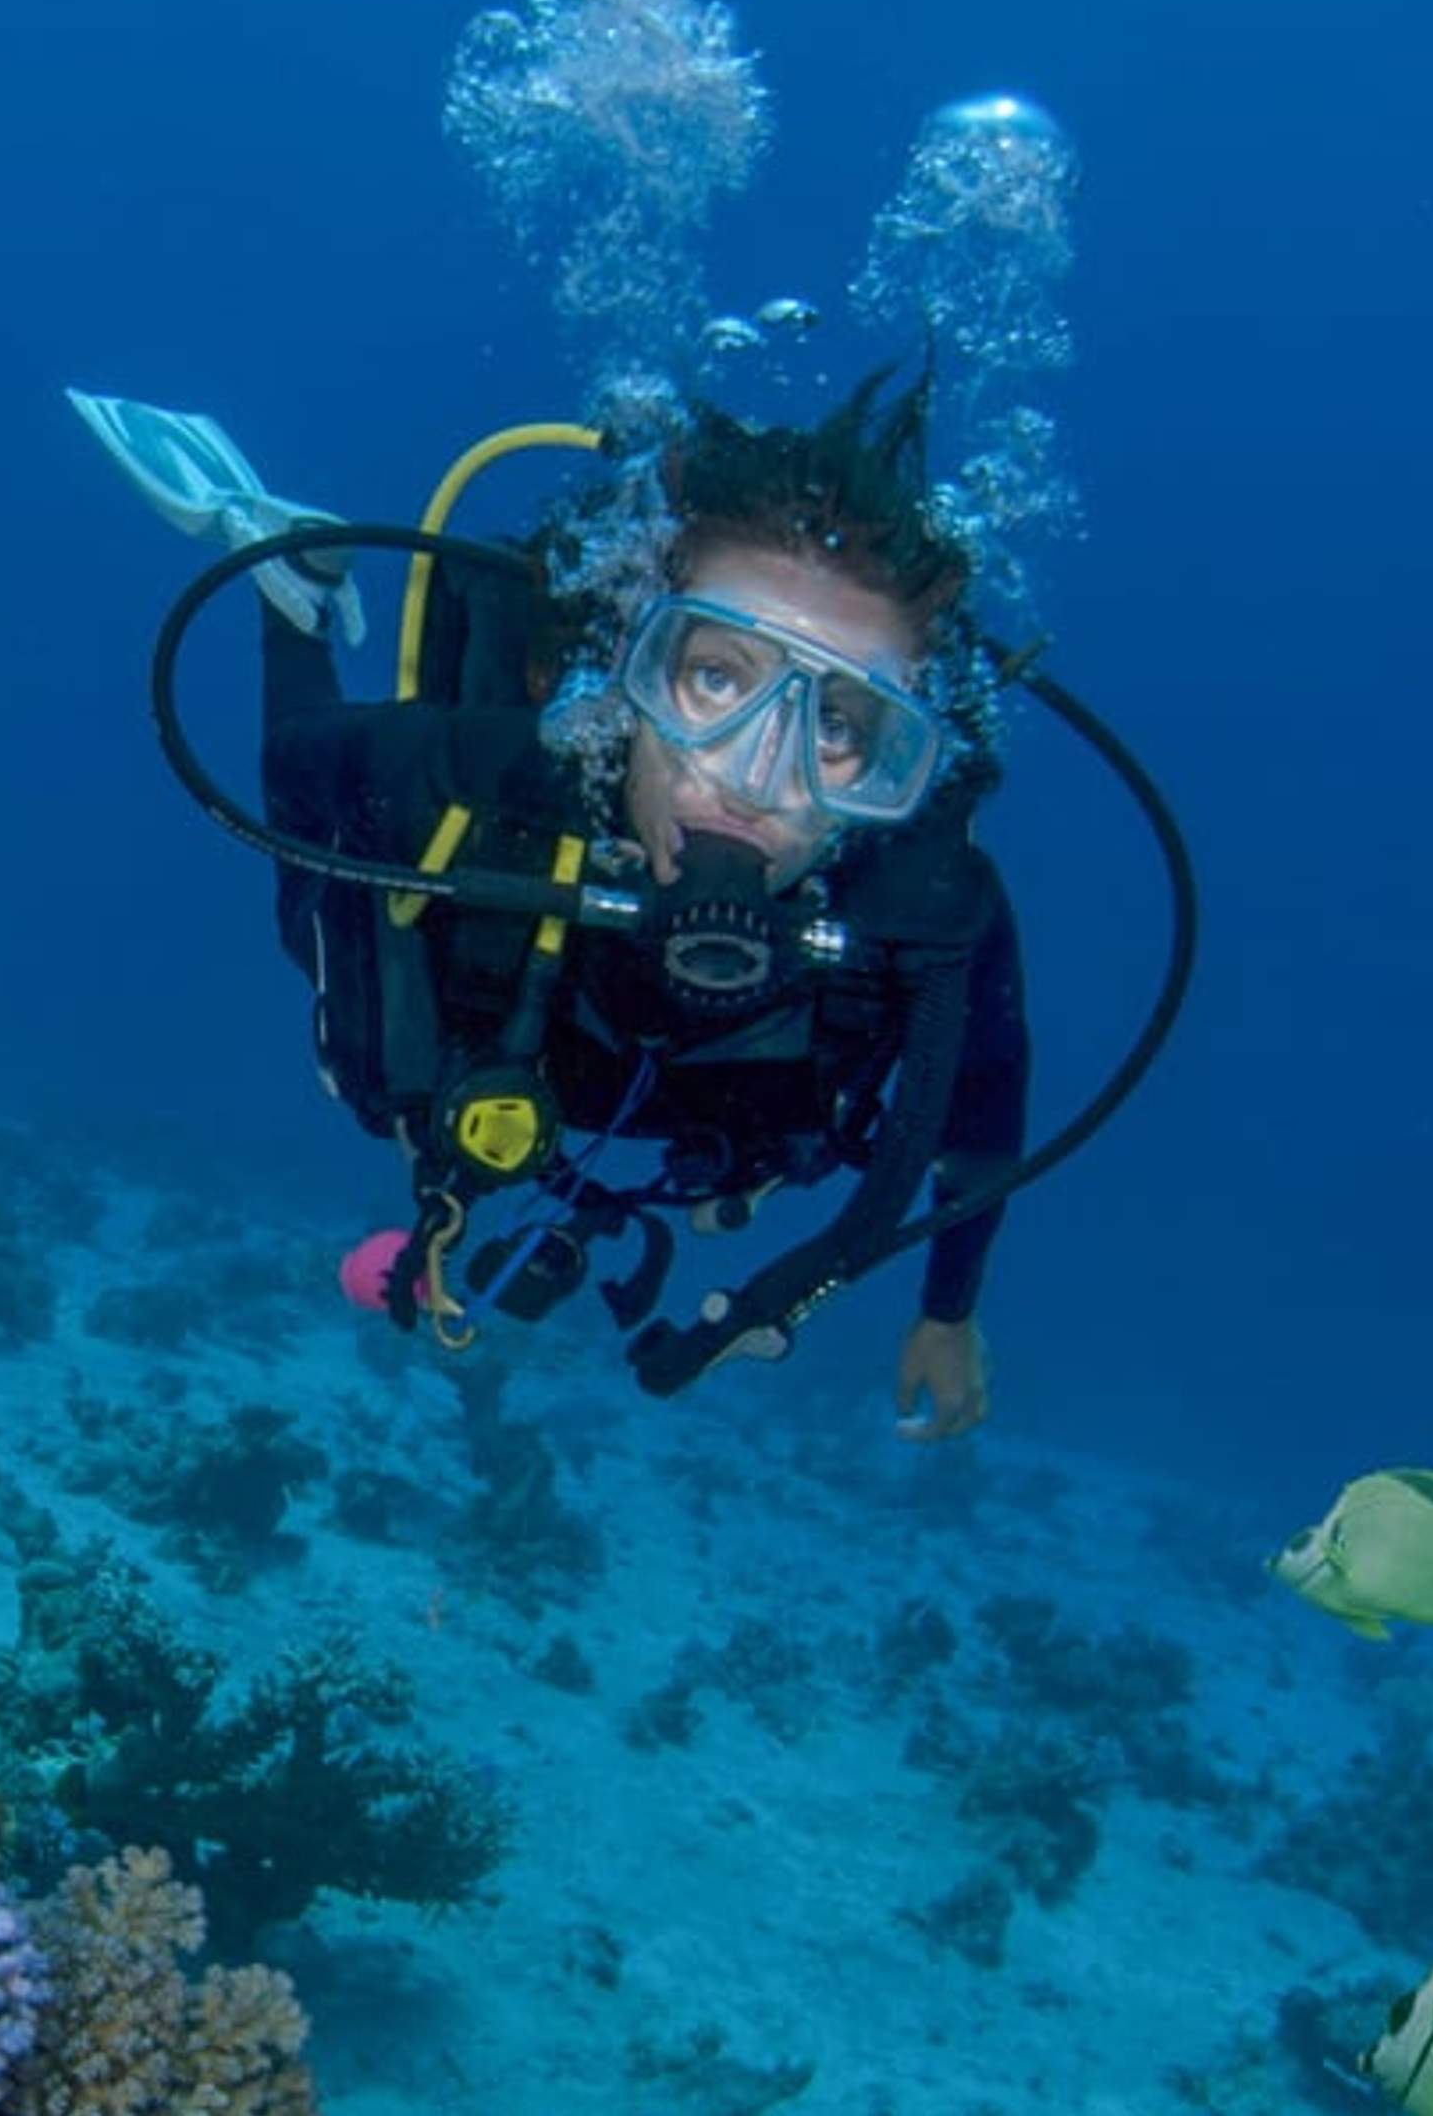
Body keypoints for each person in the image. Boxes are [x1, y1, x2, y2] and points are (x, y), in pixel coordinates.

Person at [87, 373, 1039, 1433]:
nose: (754, 776)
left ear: (894, 768)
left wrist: (950, 1309)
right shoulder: (488, 775)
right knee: (347, 1019)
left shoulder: (929, 912)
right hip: (520, 1005)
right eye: (717, 679)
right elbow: (299, 767)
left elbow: (984, 1108)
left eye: (840, 728)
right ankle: (293, 585)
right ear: (635, 655)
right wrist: (412, 1105)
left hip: (716, 1115)